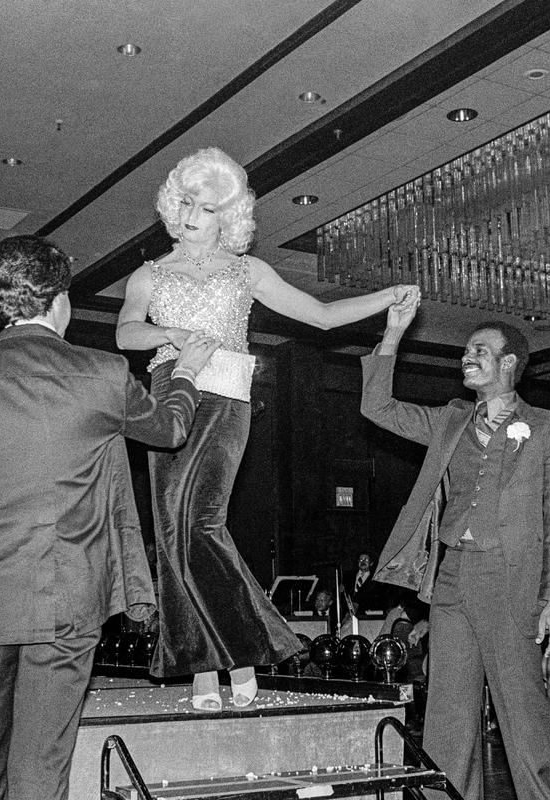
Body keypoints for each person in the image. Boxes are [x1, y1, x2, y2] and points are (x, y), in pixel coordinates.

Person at [0, 235, 218, 800]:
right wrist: (186, 372)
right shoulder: (102, 374)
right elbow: (171, 430)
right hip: (68, 604)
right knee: (40, 769)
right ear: (57, 301)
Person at [116, 146, 420, 711]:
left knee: (201, 523)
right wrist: (175, 336)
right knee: (170, 530)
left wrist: (386, 299)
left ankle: (250, 649)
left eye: (204, 208)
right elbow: (125, 334)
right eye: (184, 203)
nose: (190, 216)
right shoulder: (149, 275)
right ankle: (204, 669)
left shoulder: (247, 270)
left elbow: (322, 316)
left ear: (226, 217)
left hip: (226, 397)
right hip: (167, 394)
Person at [361, 303, 550, 800]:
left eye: (479, 350)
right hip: (452, 576)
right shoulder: (450, 420)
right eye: (465, 350)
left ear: (509, 363)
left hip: (513, 580)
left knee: (523, 709)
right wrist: (392, 336)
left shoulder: (548, 426)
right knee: (448, 713)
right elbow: (378, 408)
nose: (466, 357)